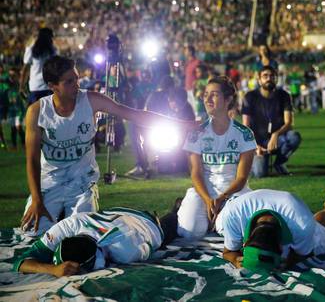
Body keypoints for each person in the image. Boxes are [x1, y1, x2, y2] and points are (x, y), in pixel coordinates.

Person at [21, 56, 196, 236]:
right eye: (69, 82)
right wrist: (36, 199)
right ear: (52, 86)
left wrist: (185, 124)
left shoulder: (92, 100)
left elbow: (136, 115)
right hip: (50, 183)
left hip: (82, 183)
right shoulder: (37, 112)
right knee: (32, 234)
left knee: (84, 238)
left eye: (77, 78)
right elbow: (32, 160)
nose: (76, 85)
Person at [176, 76, 256, 239]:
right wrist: (207, 200)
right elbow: (196, 174)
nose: (207, 99)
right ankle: (185, 210)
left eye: (214, 94)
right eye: (206, 94)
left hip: (234, 193)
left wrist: (222, 198)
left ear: (228, 100)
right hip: (203, 191)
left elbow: (241, 178)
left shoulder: (244, 134)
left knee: (231, 230)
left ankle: (219, 220)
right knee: (189, 231)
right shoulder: (196, 133)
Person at [13, 204, 181, 277]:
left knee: (174, 230)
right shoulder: (69, 225)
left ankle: (176, 212)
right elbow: (20, 263)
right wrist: (52, 269)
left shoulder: (126, 253)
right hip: (119, 213)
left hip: (149, 224)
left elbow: (153, 243)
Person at [218, 189, 325, 272]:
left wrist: (291, 261)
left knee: (320, 230)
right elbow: (228, 252)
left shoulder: (303, 224)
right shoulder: (233, 215)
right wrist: (234, 259)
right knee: (218, 226)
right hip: (236, 201)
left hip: (295, 212)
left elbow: (304, 254)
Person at [242, 65, 301, 177]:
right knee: (260, 174)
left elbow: (289, 123)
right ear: (259, 80)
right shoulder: (250, 97)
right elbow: (246, 127)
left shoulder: (284, 95)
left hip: (278, 140)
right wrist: (254, 146)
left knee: (294, 136)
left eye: (272, 76)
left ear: (276, 79)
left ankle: (280, 163)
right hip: (257, 142)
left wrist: (275, 134)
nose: (269, 78)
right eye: (265, 76)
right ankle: (251, 162)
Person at [20, 28, 57, 105]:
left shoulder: (31, 50)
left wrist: (21, 87)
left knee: (36, 114)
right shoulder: (52, 51)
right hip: (47, 87)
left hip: (37, 87)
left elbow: (25, 70)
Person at [183, 45, 201, 119]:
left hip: (195, 90)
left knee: (197, 111)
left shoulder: (197, 62)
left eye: (186, 50)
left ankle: (199, 128)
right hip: (187, 89)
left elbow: (200, 75)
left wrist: (197, 85)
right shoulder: (187, 63)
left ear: (190, 52)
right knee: (190, 110)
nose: (184, 52)